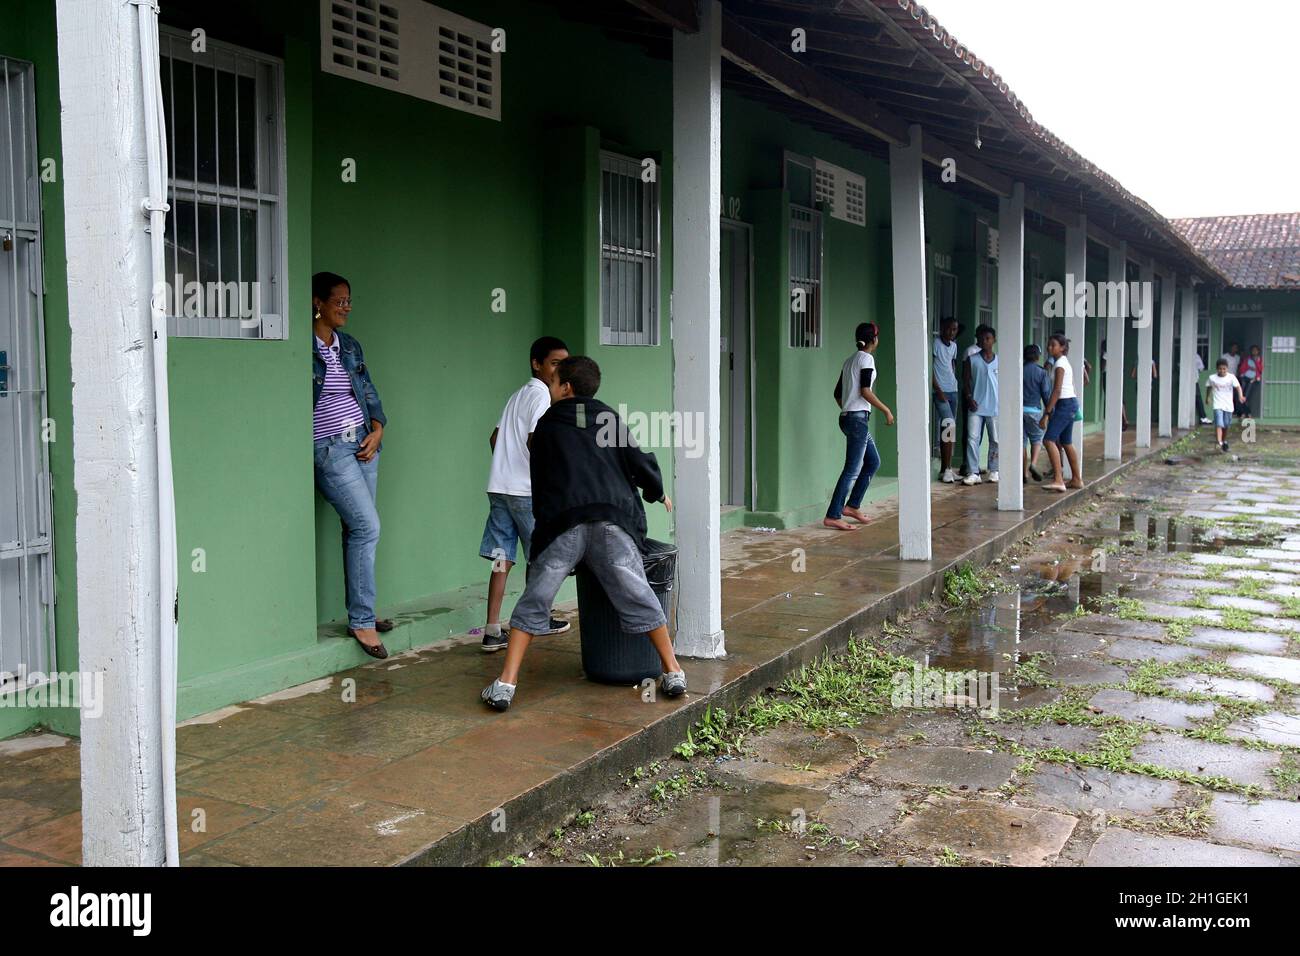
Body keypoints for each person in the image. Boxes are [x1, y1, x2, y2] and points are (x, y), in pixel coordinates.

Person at [480, 356, 684, 711]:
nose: (551, 387)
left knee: (535, 598)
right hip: (612, 521)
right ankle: (674, 671)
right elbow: (640, 463)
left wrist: (545, 531)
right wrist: (656, 492)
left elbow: (540, 482)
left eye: (554, 382)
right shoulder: (609, 417)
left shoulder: (548, 425)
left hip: (565, 523)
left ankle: (506, 684)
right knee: (638, 592)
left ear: (566, 388)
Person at [311, 272, 389, 659]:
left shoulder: (350, 345)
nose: (346, 308)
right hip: (329, 449)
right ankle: (362, 619)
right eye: (338, 301)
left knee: (357, 529)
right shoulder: (303, 347)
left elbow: (368, 388)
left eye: (348, 301)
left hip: (363, 442)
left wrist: (378, 429)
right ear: (317, 303)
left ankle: (365, 612)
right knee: (367, 526)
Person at [478, 336, 572, 652]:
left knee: (501, 559)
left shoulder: (517, 396)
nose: (561, 370)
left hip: (500, 488)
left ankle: (492, 629)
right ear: (537, 363)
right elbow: (537, 441)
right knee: (543, 557)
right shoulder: (542, 397)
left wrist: (508, 465)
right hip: (526, 492)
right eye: (555, 363)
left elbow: (494, 438)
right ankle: (538, 620)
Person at [826, 322, 894, 530]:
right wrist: (886, 410)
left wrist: (848, 408)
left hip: (848, 418)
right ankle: (833, 514)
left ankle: (852, 506)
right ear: (874, 339)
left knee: (872, 462)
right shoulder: (867, 359)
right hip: (857, 420)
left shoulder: (849, 361)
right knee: (852, 469)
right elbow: (865, 390)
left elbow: (838, 393)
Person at [1040, 333, 1083, 493]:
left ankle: (1058, 479)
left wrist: (1046, 413)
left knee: (1049, 440)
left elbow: (1056, 390)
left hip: (1064, 404)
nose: (1050, 347)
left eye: (1053, 345)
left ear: (1063, 347)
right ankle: (1076, 479)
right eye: (1049, 344)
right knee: (1066, 442)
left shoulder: (1060, 365)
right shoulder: (1062, 362)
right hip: (1070, 403)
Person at [962, 325, 999, 485]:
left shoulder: (1000, 360)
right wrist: (969, 397)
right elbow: (966, 380)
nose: (985, 341)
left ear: (994, 340)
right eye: (982, 338)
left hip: (995, 407)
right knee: (972, 439)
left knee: (995, 440)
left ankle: (994, 470)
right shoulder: (973, 359)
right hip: (976, 406)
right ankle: (973, 471)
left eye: (988, 338)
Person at [932, 318, 960, 483]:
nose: (951, 332)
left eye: (954, 329)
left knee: (948, 430)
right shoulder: (936, 344)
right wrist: (938, 390)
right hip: (940, 392)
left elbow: (952, 365)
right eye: (949, 329)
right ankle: (948, 469)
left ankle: (945, 469)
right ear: (942, 328)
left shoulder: (954, 346)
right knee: (949, 426)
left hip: (953, 390)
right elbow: (930, 368)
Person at [1022, 344, 1052, 483]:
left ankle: (1024, 474)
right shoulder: (1041, 372)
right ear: (1037, 356)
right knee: (1036, 440)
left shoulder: (1019, 370)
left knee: (1022, 443)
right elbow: (1046, 394)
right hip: (1034, 411)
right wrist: (1048, 413)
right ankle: (1033, 464)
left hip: (1019, 411)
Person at [1206, 358, 1246, 453]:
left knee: (1226, 425)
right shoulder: (1212, 378)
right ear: (1217, 369)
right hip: (1217, 404)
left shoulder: (1231, 377)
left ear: (1227, 369)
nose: (1222, 371)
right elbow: (1209, 387)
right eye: (1220, 369)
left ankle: (1224, 441)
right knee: (1219, 423)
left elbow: (1238, 387)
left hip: (1228, 405)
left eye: (1224, 369)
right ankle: (1219, 442)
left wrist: (1241, 396)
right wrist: (1207, 397)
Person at [1240, 345, 1264, 417]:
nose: (1254, 351)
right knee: (1241, 395)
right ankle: (1245, 413)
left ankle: (1246, 413)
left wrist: (1256, 362)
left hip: (1253, 379)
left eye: (1256, 350)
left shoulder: (1260, 359)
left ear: (1258, 351)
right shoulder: (1247, 359)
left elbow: (1260, 370)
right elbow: (1242, 368)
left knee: (1246, 396)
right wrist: (1249, 368)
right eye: (1253, 350)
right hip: (1245, 378)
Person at [1193, 351, 1210, 424]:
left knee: (1197, 398)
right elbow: (1201, 368)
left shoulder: (1182, 353)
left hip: (1189, 380)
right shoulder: (1195, 355)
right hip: (1194, 380)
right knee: (1198, 398)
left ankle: (1203, 417)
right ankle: (1203, 417)